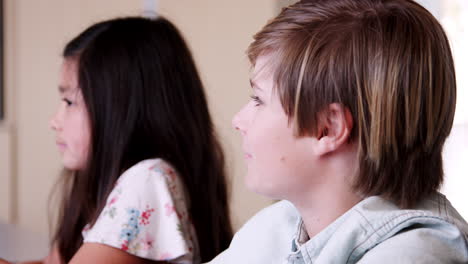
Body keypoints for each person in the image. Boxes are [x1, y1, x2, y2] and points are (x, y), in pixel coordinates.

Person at [208, 0, 468, 263]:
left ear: (327, 128)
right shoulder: (276, 226)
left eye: (258, 100)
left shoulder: (414, 255)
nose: (238, 120)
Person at [18, 16, 232, 264]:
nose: (54, 121)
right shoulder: (102, 184)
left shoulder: (148, 179)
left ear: (122, 109)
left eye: (69, 102)